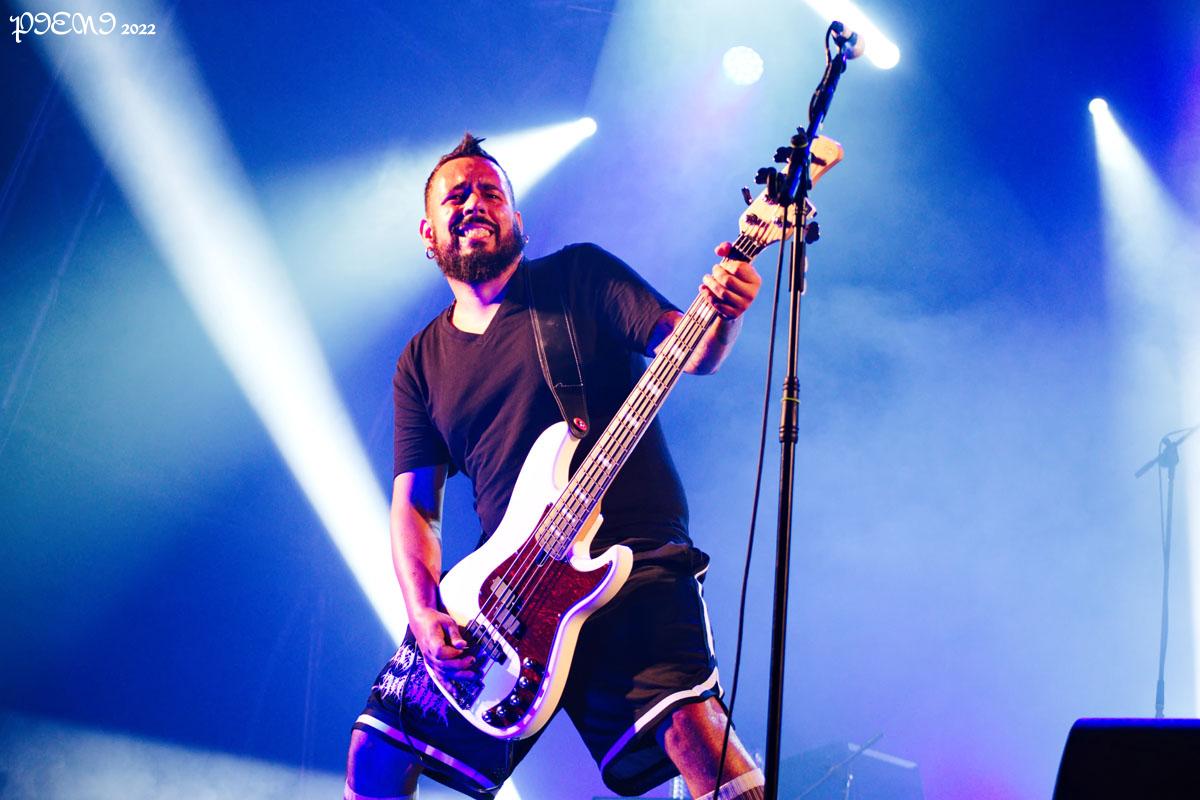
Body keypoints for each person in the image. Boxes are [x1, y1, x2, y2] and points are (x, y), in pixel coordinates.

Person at [345, 133, 765, 800]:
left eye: (490, 193)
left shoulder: (578, 278)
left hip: (630, 558)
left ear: (517, 218)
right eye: (456, 196)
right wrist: (424, 614)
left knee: (694, 733)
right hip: (508, 594)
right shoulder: (420, 362)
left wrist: (725, 311)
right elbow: (415, 508)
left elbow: (690, 348)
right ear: (429, 234)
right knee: (376, 753)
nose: (474, 203)